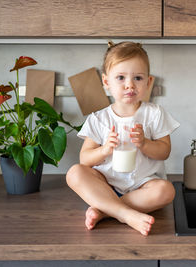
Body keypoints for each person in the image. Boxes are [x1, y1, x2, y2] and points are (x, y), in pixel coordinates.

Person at [66, 41, 180, 236]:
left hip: (142, 185)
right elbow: (84, 159)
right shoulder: (99, 119)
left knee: (167, 191)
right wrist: (104, 150)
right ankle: (126, 214)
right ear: (106, 82)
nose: (129, 85)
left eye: (137, 77)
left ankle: (104, 211)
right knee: (74, 173)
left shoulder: (154, 114)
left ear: (149, 82)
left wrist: (145, 144)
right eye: (120, 77)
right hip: (106, 184)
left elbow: (164, 151)